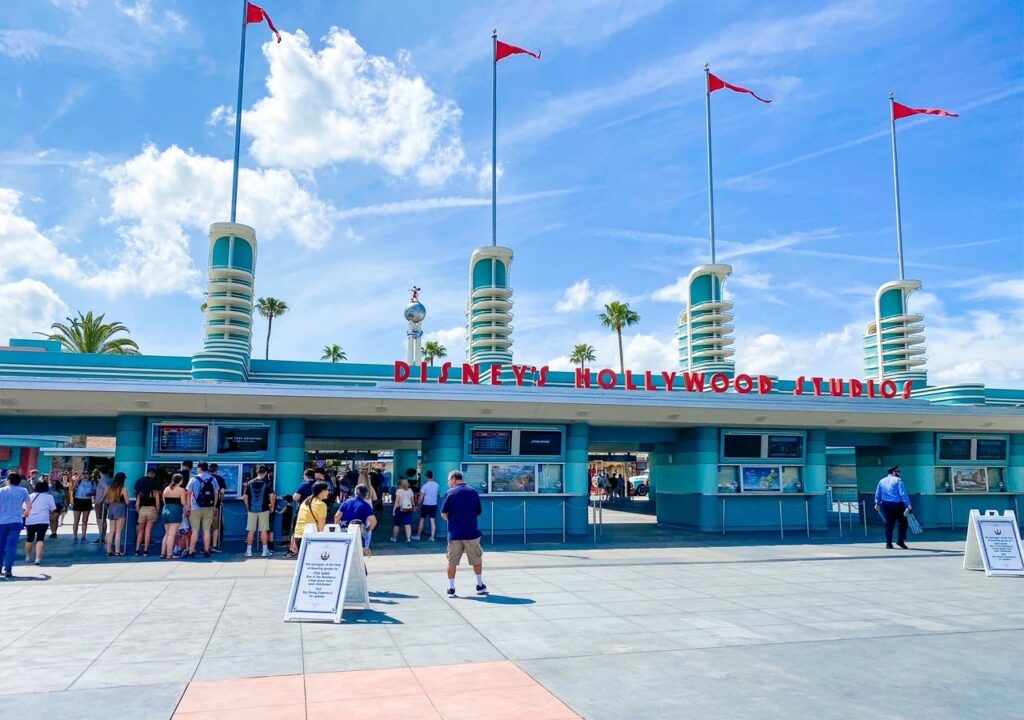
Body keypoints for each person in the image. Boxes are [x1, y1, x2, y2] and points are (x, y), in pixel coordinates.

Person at [440, 470, 486, 597]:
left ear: (454, 478)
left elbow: (444, 513)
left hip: (454, 533)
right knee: (476, 559)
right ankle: (479, 585)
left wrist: (453, 519)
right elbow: (478, 511)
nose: (448, 483)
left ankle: (451, 588)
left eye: (449, 480)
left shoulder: (449, 493)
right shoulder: (473, 491)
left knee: (452, 561)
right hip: (471, 532)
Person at [0, 473, 32, 579]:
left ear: (8, 480)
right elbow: (29, 504)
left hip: (2, 522)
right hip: (16, 521)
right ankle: (8, 569)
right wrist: (26, 512)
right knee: (12, 546)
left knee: (1, 546)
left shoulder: (2, 491)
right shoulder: (23, 491)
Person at [186, 462, 218, 559]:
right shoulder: (213, 479)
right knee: (207, 530)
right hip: (208, 508)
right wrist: (214, 506)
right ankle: (206, 551)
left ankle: (191, 552)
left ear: (199, 468)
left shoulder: (193, 479)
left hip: (195, 508)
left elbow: (188, 493)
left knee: (195, 531)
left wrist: (188, 506)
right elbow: (216, 493)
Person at [874, 466, 912, 550]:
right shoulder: (898, 480)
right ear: (894, 472)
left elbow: (878, 493)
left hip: (886, 504)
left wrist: (877, 503)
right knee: (903, 523)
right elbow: (903, 494)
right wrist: (908, 505)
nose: (899, 473)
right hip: (897, 505)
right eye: (898, 472)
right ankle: (900, 541)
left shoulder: (881, 481)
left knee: (889, 523)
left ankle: (888, 543)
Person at [243, 465, 275, 558]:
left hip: (252, 510)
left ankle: (248, 551)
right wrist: (272, 506)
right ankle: (265, 551)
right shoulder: (267, 482)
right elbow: (272, 496)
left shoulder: (250, 482)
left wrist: (248, 507)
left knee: (250, 530)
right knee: (263, 530)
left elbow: (245, 497)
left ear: (257, 472)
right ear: (265, 473)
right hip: (264, 509)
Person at [337, 484, 377, 556]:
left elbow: (336, 516)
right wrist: (368, 529)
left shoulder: (346, 502)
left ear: (355, 492)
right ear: (366, 494)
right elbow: (373, 521)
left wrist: (337, 527)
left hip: (344, 530)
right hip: (357, 531)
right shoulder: (366, 505)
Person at [291, 480, 329, 556]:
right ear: (321, 491)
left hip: (299, 536)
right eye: (327, 490)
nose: (328, 492)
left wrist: (294, 540)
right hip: (311, 537)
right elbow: (321, 528)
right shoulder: (321, 505)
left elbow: (299, 521)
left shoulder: (305, 501)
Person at [25, 479, 56, 566]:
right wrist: (51, 515)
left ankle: (27, 556)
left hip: (30, 520)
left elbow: (24, 508)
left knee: (29, 538)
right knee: (40, 538)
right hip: (43, 520)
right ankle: (37, 558)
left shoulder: (29, 496)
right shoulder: (49, 497)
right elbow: (53, 509)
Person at [134, 468, 162, 556]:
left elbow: (137, 504)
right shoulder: (155, 491)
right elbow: (157, 503)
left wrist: (139, 512)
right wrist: (157, 511)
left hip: (142, 510)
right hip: (152, 509)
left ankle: (137, 550)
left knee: (140, 531)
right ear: (153, 474)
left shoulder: (140, 491)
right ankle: (145, 550)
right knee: (148, 531)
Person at [160, 473, 186, 559]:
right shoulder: (181, 490)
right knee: (172, 534)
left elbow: (164, 501)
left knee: (166, 533)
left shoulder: (166, 489)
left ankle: (163, 553)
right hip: (175, 511)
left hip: (166, 510)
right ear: (180, 481)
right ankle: (169, 554)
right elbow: (183, 503)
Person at [104, 472, 129, 556]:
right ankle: (117, 551)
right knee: (118, 532)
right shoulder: (123, 489)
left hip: (112, 509)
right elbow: (127, 502)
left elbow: (107, 500)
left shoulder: (110, 488)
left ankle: (108, 550)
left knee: (111, 532)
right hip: (120, 509)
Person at [70, 469, 95, 544]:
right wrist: (77, 479)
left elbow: (94, 492)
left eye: (87, 473)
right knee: (76, 520)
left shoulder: (92, 483)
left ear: (89, 475)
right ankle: (75, 537)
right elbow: (73, 488)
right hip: (78, 500)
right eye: (84, 473)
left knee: (85, 520)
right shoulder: (79, 481)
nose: (85, 475)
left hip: (87, 501)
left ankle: (83, 537)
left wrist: (91, 494)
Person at [414, 470, 440, 541]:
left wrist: (417, 504)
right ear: (432, 476)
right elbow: (437, 494)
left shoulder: (424, 486)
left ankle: (418, 536)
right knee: (432, 521)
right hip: (434, 505)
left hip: (425, 505)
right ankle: (432, 537)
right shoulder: (437, 485)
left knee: (422, 520)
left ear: (426, 477)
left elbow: (421, 497)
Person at [390, 478, 415, 544]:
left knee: (397, 524)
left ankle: (394, 538)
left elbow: (397, 502)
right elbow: (413, 501)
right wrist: (413, 507)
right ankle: (408, 538)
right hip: (408, 509)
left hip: (399, 509)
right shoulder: (410, 491)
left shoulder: (399, 491)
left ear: (400, 484)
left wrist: (394, 510)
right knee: (407, 524)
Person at [209, 462, 226, 553]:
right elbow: (222, 491)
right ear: (217, 470)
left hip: (203, 506)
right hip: (216, 506)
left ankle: (206, 546)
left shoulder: (204, 478)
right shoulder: (220, 478)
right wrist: (221, 501)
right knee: (215, 526)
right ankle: (214, 545)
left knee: (206, 527)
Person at [49, 472, 68, 537]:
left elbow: (65, 498)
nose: (52, 482)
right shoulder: (48, 488)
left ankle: (54, 533)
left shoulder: (61, 489)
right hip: (50, 506)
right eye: (51, 480)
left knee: (55, 518)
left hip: (58, 505)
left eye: (53, 481)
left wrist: (65, 507)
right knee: (51, 519)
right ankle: (52, 532)